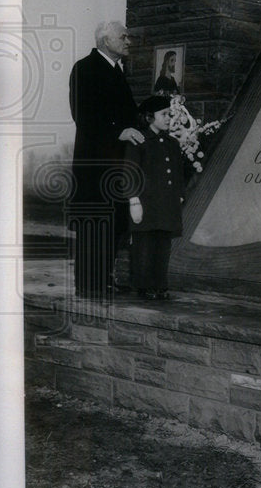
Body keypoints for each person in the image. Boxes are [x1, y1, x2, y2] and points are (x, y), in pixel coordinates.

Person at [68, 21, 143, 299]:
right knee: (93, 223)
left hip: (116, 164)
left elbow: (128, 114)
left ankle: (105, 280)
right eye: (123, 37)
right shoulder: (85, 69)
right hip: (94, 165)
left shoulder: (116, 71)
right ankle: (88, 285)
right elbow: (84, 116)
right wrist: (119, 131)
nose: (129, 41)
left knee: (114, 224)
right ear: (105, 40)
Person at [124, 95, 185, 300]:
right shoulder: (140, 141)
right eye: (164, 114)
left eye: (169, 114)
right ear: (150, 117)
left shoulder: (172, 143)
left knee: (162, 245)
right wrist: (133, 200)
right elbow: (130, 172)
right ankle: (143, 285)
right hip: (146, 204)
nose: (169, 118)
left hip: (166, 205)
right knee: (144, 246)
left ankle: (160, 285)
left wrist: (180, 196)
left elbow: (177, 173)